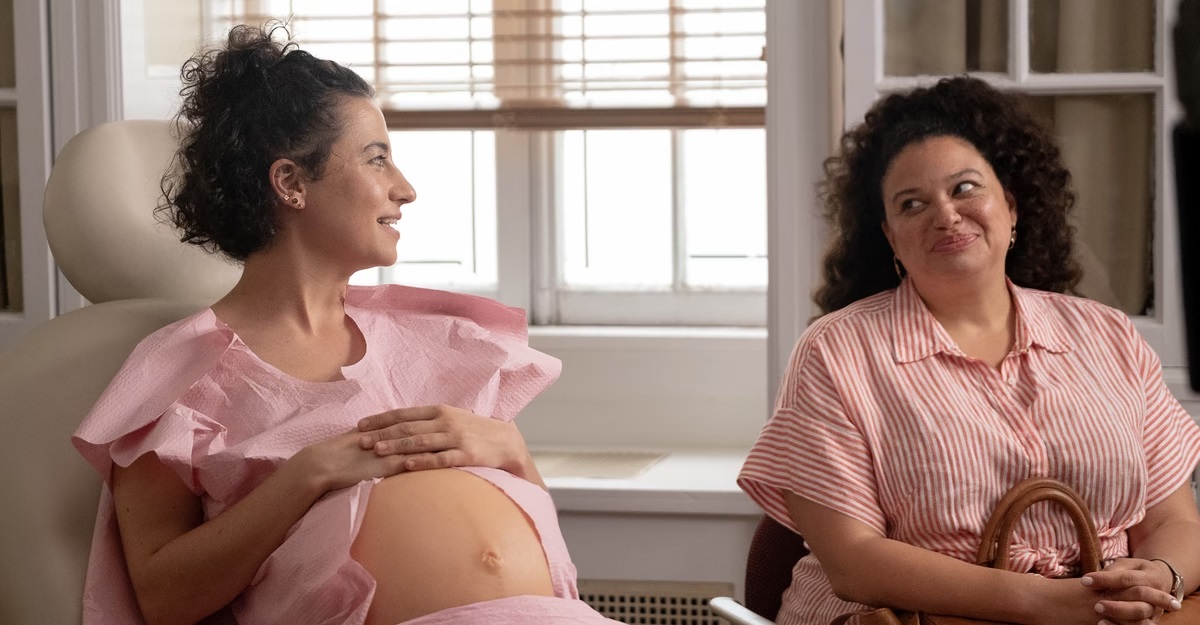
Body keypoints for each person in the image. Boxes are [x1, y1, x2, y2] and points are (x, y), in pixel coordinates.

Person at [72, 24, 621, 625]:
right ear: (291, 183)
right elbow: (162, 600)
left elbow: (539, 539)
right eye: (376, 158)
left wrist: (512, 452)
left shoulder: (442, 342)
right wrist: (306, 475)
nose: (405, 189)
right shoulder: (179, 374)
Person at [738, 76, 1200, 625]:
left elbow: (1174, 521)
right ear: (890, 237)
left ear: (1010, 206)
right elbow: (853, 562)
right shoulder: (836, 353)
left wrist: (1160, 575)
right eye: (913, 203)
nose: (945, 214)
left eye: (964, 188)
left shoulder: (1110, 336)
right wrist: (1045, 604)